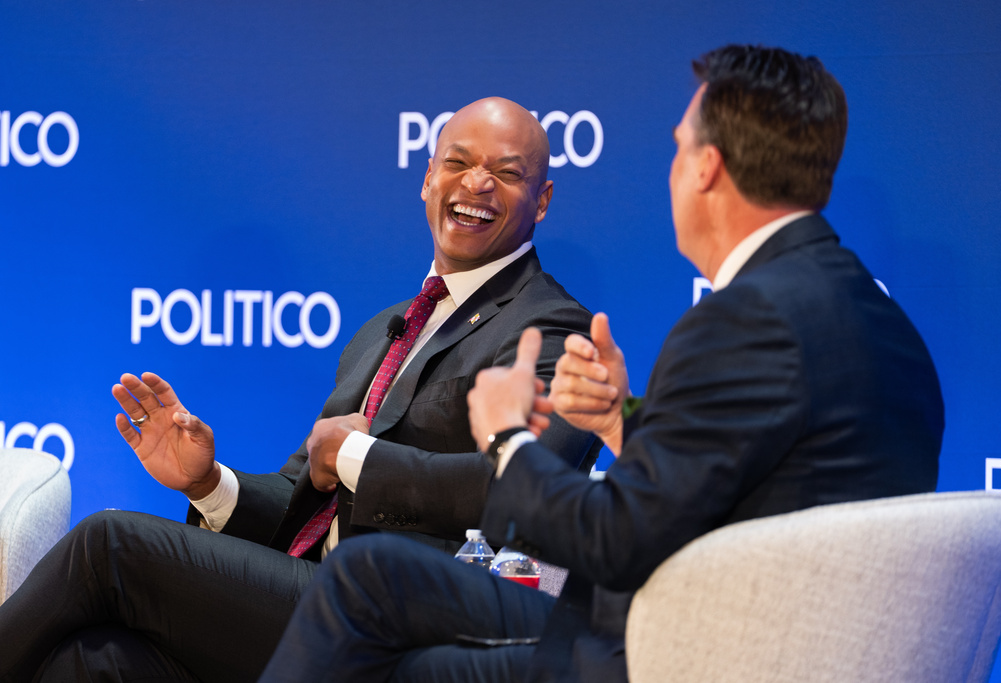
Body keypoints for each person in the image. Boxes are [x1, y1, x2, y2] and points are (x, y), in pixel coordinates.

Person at [257, 44, 945, 683]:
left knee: (373, 573)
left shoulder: (745, 320)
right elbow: (745, 480)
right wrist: (621, 423)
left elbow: (614, 540)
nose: (673, 169)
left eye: (679, 148)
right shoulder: (885, 327)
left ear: (706, 167)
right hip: (777, 635)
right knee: (415, 577)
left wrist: (507, 436)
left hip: (670, 643)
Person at [0, 97, 599, 682]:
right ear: (427, 180)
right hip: (311, 604)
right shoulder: (382, 331)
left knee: (111, 545)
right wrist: (210, 484)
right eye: (458, 163)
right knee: (91, 658)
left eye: (506, 172)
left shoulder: (550, 328)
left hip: (410, 621)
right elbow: (303, 497)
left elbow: (523, 487)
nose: (476, 184)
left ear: (542, 200)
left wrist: (357, 456)